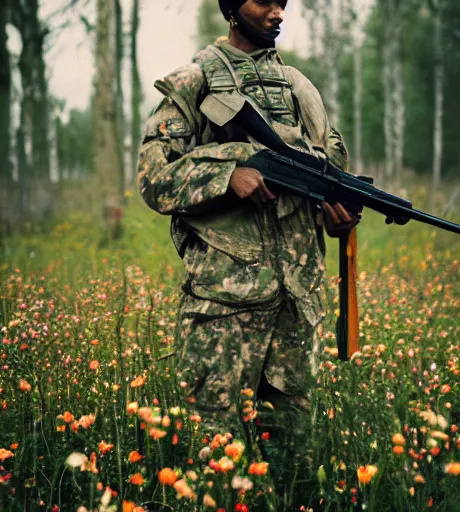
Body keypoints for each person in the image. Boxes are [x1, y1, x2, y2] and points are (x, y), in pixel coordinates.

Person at [138, 0, 359, 502]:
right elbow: (154, 178)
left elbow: (328, 178)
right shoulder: (194, 83)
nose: (278, 12)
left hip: (295, 303)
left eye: (283, 2)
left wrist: (335, 211)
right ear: (232, 7)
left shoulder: (301, 88)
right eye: (263, 1)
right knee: (220, 462)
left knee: (296, 460)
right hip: (224, 306)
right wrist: (225, 175)